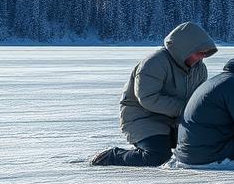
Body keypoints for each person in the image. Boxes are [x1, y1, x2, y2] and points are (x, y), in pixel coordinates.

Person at [91, 22, 218, 167]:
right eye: (199, 52)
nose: (202, 57)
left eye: (205, 54)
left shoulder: (200, 70)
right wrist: (185, 108)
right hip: (143, 117)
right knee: (157, 156)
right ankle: (112, 156)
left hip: (175, 120)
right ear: (186, 48)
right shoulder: (155, 63)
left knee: (206, 147)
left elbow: (197, 99)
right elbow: (148, 98)